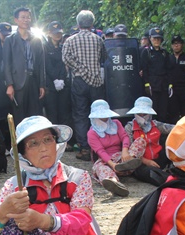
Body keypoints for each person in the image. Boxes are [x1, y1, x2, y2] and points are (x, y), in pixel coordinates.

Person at [62, 10, 107, 162]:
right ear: (92, 24)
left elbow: (65, 58)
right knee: (97, 114)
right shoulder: (98, 39)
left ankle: (85, 148)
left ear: (78, 24)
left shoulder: (70, 40)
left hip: (80, 81)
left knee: (80, 114)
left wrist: (80, 68)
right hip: (96, 82)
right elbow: (103, 57)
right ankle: (100, 147)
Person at [87, 99, 143, 197]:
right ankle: (114, 183)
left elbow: (124, 137)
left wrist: (125, 150)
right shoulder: (92, 133)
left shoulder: (116, 123)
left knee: (140, 141)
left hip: (123, 157)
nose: (104, 118)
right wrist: (113, 165)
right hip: (107, 161)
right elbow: (100, 151)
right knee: (100, 168)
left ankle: (130, 162)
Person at [3, 7, 45, 124]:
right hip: (18, 82)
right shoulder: (10, 40)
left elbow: (41, 64)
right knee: (20, 115)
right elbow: (7, 64)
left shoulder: (36, 40)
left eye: (28, 17)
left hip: (34, 80)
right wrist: (9, 85)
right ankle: (21, 142)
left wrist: (42, 84)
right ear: (16, 20)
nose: (26, 20)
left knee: (35, 114)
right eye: (23, 17)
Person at [125, 97, 172, 186]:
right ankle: (170, 181)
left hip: (157, 158)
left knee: (172, 140)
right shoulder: (129, 127)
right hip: (140, 163)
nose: (142, 116)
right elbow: (129, 151)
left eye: (144, 114)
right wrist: (146, 161)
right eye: (139, 114)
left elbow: (174, 128)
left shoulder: (156, 124)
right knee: (151, 174)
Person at [44, 21, 73, 150]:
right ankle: (53, 140)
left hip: (63, 84)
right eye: (55, 33)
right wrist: (55, 79)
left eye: (59, 33)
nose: (57, 35)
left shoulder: (63, 47)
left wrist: (61, 78)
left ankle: (64, 141)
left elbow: (64, 64)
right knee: (52, 114)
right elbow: (46, 66)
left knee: (64, 113)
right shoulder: (44, 47)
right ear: (49, 33)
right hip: (50, 85)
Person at [140, 27, 169, 121]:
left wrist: (170, 84)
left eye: (158, 39)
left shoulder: (164, 53)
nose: (156, 41)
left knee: (163, 110)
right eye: (154, 38)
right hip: (152, 84)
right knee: (153, 109)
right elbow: (144, 69)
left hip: (163, 84)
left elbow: (168, 69)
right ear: (150, 39)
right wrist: (146, 84)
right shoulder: (146, 52)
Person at [166, 35, 185, 123]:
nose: (176, 45)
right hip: (172, 91)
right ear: (171, 45)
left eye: (178, 43)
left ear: (182, 44)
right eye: (174, 43)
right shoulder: (168, 58)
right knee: (173, 114)